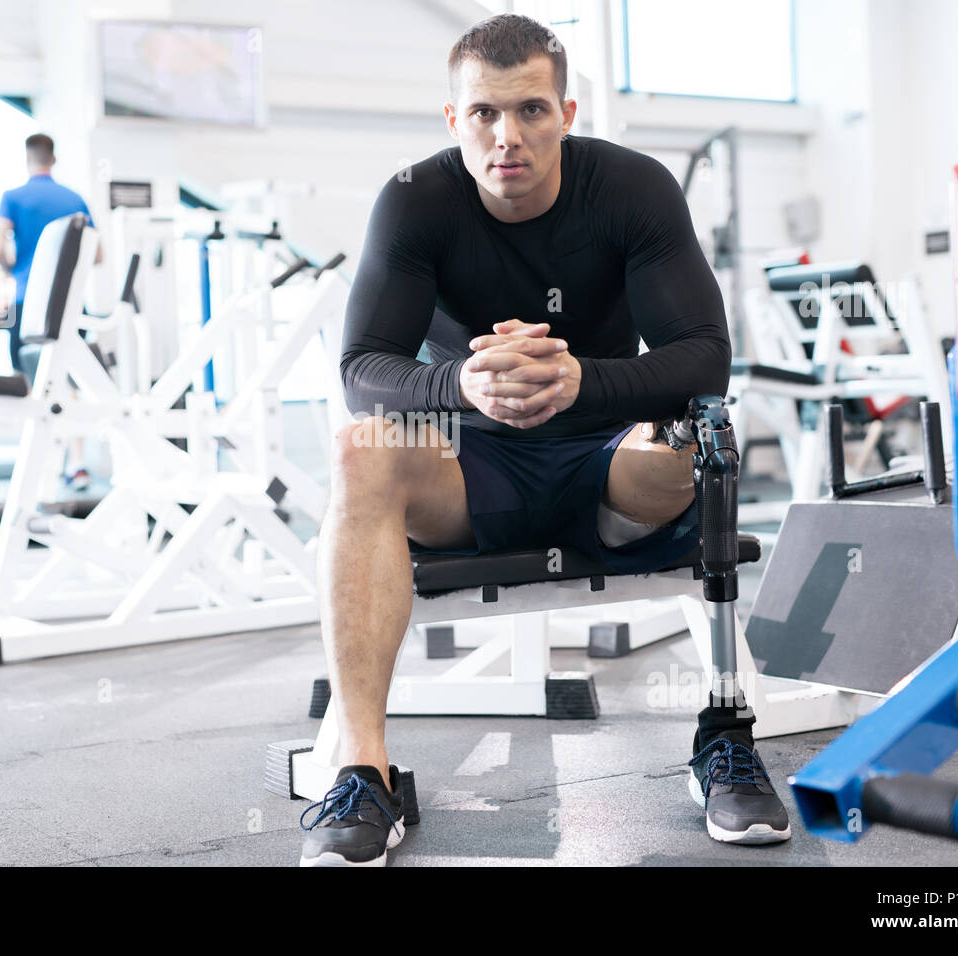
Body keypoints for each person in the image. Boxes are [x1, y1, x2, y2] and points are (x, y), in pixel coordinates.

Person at [298, 13, 790, 867]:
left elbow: (707, 356)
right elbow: (360, 367)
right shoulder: (416, 197)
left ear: (565, 111)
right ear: (454, 123)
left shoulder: (634, 189)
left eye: (530, 110)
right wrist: (463, 384)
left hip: (610, 461)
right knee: (358, 449)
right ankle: (363, 773)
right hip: (470, 461)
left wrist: (581, 381)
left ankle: (723, 733)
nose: (508, 136)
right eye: (484, 114)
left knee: (701, 442)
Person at [0, 133, 100, 490]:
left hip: (27, 304)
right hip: (69, 303)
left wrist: (10, 267)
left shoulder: (13, 198)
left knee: (29, 383)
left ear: (28, 160)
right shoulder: (73, 199)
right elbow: (98, 255)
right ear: (53, 159)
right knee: (71, 382)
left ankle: (34, 465)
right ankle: (77, 463)